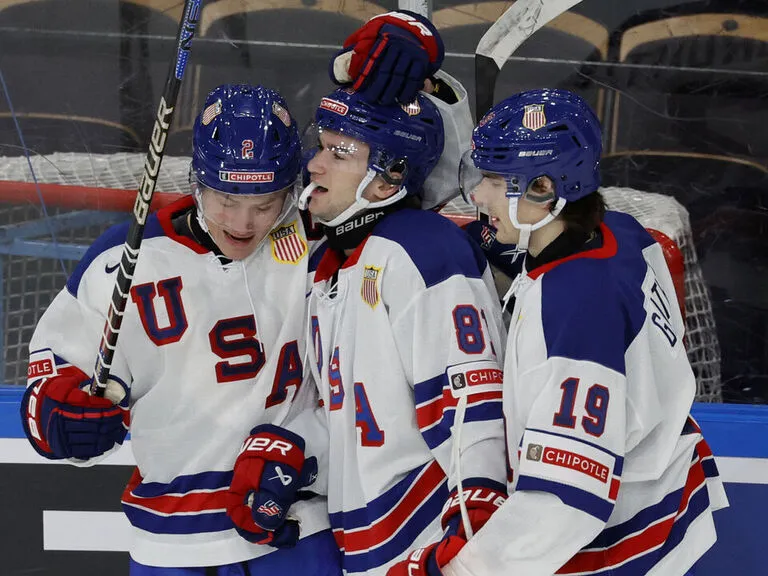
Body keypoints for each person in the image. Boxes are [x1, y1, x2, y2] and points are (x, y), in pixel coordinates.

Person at [20, 83, 342, 575]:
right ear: (197, 182)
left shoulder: (321, 240)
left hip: (296, 528)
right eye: (226, 199)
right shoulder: (125, 259)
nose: (243, 222)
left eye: (265, 203)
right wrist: (58, 415)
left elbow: (433, 182)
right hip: (169, 541)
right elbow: (56, 376)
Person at [422, 88, 727, 576]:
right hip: (662, 481)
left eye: (496, 180)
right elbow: (547, 258)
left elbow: (565, 499)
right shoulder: (618, 229)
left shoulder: (576, 308)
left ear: (543, 188)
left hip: (620, 537)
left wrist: (460, 571)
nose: (477, 195)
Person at [293, 75, 508, 575]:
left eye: (339, 154)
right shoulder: (329, 262)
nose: (314, 165)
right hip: (369, 540)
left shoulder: (420, 248)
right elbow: (359, 412)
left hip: (430, 538)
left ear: (388, 180)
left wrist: (471, 535)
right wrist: (296, 450)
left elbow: (471, 404)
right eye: (321, 147)